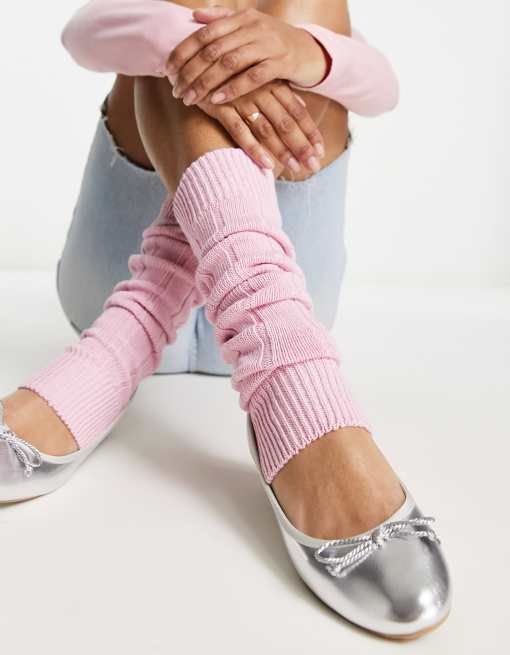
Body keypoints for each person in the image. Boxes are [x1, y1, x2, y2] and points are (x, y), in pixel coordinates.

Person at [0, 0, 451, 639]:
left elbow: (383, 88)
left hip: (282, 284)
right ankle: (271, 374)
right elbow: (81, 36)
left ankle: (139, 341)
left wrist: (306, 53)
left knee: (303, 29)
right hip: (114, 271)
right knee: (188, 28)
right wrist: (178, 40)